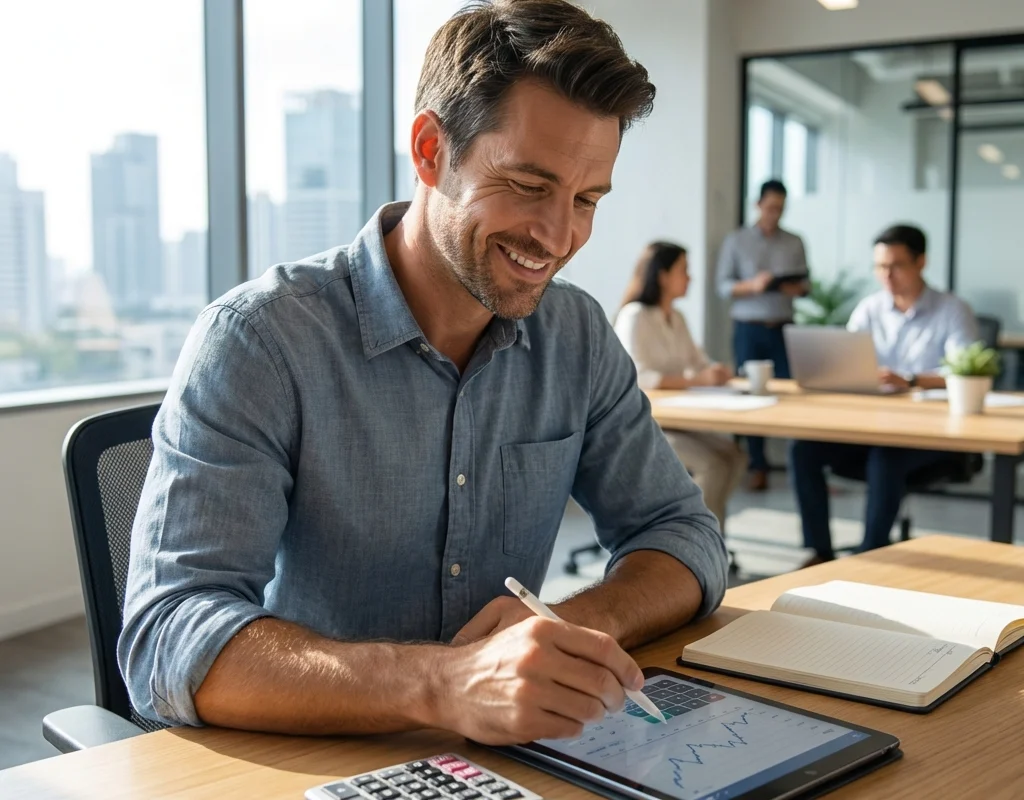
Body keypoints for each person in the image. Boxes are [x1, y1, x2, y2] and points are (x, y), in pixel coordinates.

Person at [118, 0, 727, 745]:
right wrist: (446, 684)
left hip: (506, 757)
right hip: (309, 760)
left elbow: (683, 535)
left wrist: (565, 630)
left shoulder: (575, 334)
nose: (559, 235)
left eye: (587, 199)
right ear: (431, 149)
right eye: (530, 186)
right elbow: (169, 635)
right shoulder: (260, 341)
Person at [789, 224, 978, 566]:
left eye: (896, 265)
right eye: (880, 267)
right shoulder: (869, 309)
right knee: (804, 451)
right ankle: (819, 552)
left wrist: (910, 379)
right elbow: (845, 360)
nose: (886, 275)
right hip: (871, 426)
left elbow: (965, 372)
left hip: (930, 436)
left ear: (921, 262)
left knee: (886, 457)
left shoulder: (952, 310)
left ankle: (869, 557)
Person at [615, 241, 746, 528]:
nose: (690, 278)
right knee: (713, 464)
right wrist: (697, 380)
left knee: (734, 457)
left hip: (676, 420)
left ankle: (711, 531)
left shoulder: (677, 317)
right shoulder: (635, 316)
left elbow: (698, 362)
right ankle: (699, 535)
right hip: (642, 424)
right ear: (663, 276)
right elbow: (639, 376)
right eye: (684, 270)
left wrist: (715, 371)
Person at [717, 179, 810, 492]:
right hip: (749, 328)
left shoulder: (795, 241)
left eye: (780, 209)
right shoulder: (737, 240)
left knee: (794, 392)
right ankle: (758, 465)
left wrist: (787, 286)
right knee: (753, 394)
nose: (775, 214)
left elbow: (806, 285)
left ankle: (803, 463)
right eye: (770, 207)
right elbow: (723, 287)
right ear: (758, 205)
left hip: (783, 327)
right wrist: (754, 285)